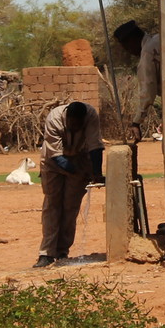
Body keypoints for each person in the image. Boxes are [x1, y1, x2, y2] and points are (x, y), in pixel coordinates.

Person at [35, 99, 102, 268]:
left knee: (70, 208)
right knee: (52, 205)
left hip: (80, 158)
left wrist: (96, 173)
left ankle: (62, 251)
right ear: (67, 118)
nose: (76, 127)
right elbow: (57, 157)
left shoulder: (91, 115)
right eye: (73, 124)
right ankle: (47, 254)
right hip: (52, 162)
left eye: (80, 124)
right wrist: (79, 173)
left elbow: (95, 146)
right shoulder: (54, 119)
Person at [112, 20, 160, 108]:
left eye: (127, 47)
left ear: (132, 40)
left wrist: (137, 121)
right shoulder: (158, 38)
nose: (129, 51)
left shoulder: (147, 54)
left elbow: (148, 95)